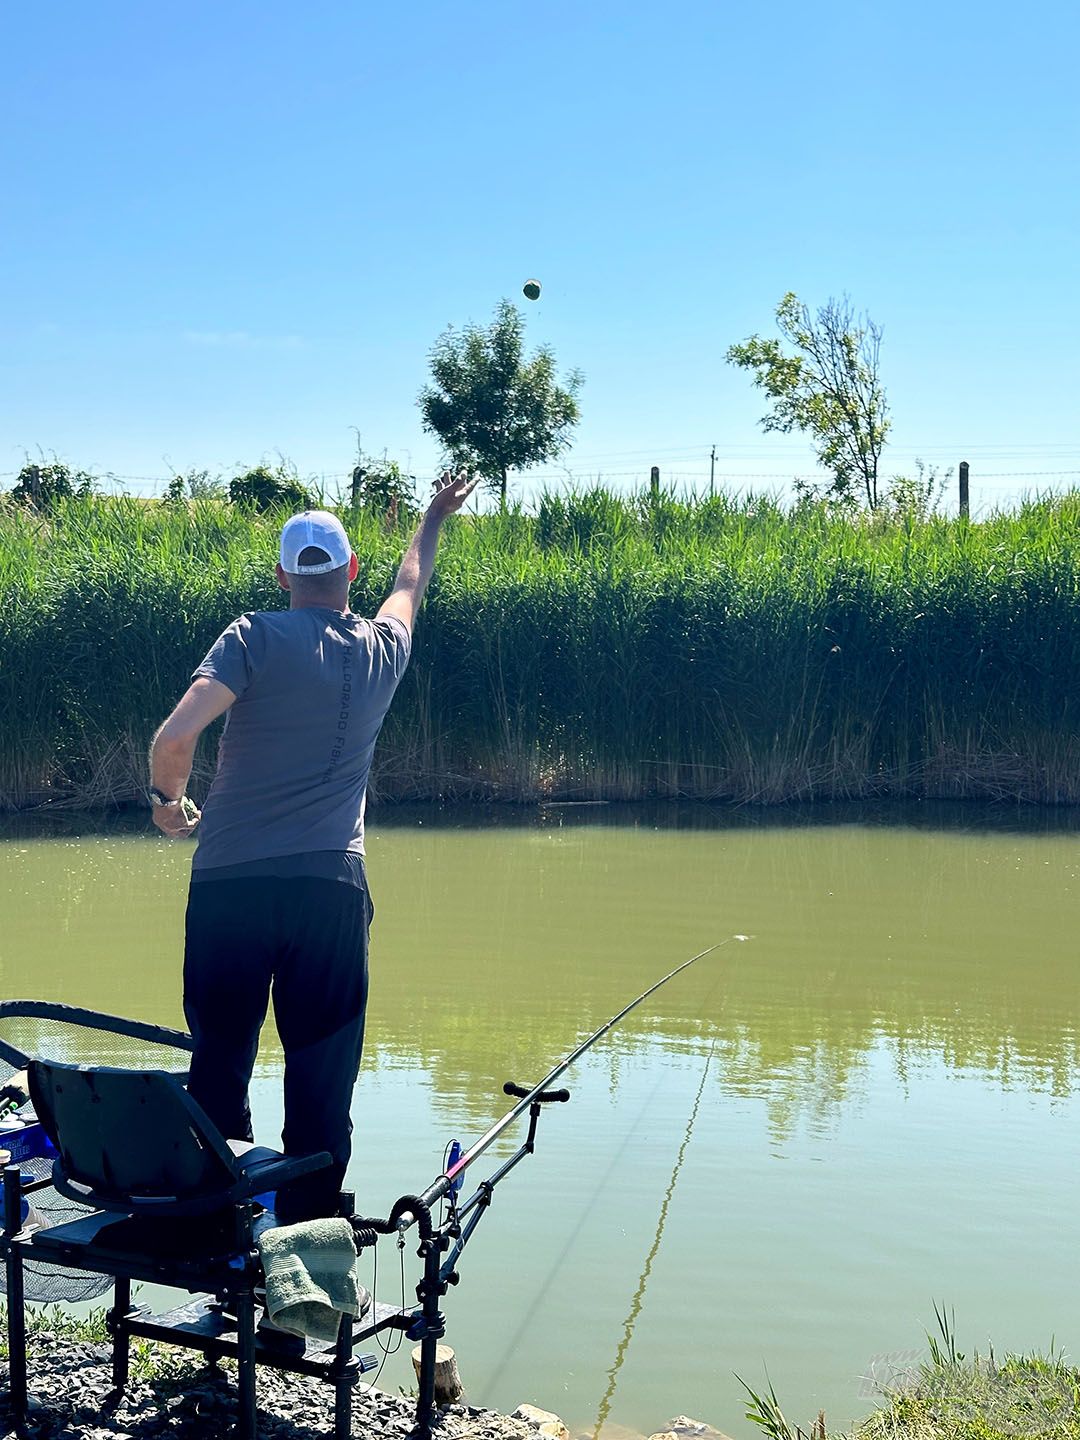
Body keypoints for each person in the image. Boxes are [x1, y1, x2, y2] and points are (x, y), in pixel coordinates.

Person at [149, 470, 477, 1224]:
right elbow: (412, 579)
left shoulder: (251, 637)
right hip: (330, 891)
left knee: (220, 1069)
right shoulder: (380, 647)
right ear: (349, 572)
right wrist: (431, 516)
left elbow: (174, 736)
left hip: (229, 886)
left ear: (282, 576)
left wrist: (169, 805)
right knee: (321, 1085)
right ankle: (305, 1273)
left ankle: (218, 1238)